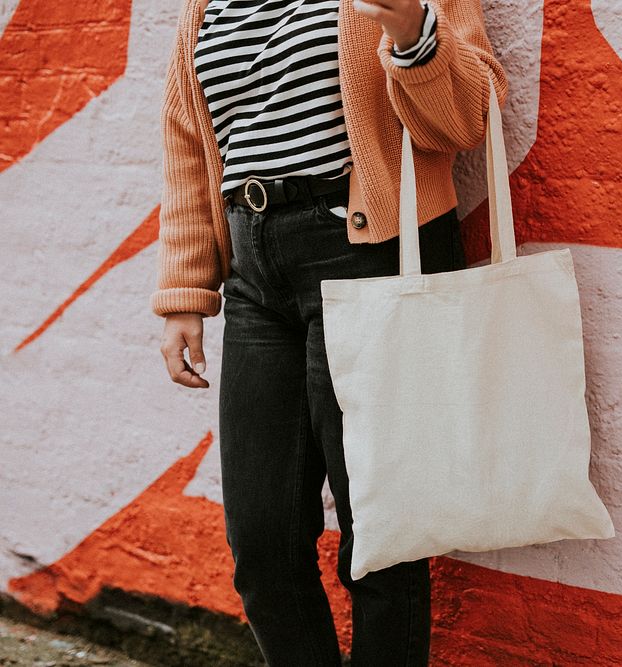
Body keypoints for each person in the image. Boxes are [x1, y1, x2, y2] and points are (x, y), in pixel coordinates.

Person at [150, 0, 509, 664]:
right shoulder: (203, 5)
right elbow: (187, 139)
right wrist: (184, 289)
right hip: (254, 272)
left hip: (369, 255)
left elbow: (468, 118)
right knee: (263, 547)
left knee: (379, 542)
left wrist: (412, 32)